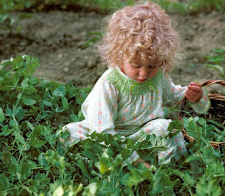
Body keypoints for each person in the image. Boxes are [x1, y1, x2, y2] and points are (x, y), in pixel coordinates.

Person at [61, 1, 210, 167]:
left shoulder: (159, 77)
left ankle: (169, 170)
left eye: (152, 66)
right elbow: (102, 131)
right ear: (118, 56)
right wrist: (134, 160)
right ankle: (128, 163)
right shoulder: (109, 84)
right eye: (136, 65)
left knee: (167, 127)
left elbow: (171, 96)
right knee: (68, 134)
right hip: (109, 137)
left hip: (142, 134)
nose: (144, 73)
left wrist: (191, 96)